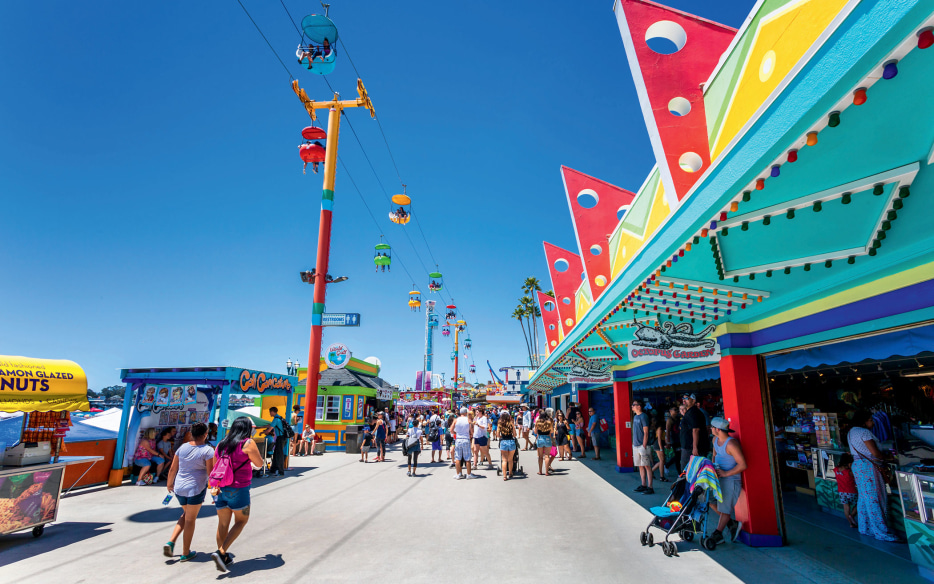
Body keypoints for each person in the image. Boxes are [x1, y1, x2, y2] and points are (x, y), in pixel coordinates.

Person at [210, 418, 265, 573]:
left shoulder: (221, 443)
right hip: (239, 488)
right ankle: (220, 552)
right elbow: (260, 463)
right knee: (241, 521)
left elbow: (216, 464)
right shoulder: (247, 443)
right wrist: (250, 464)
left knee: (222, 524)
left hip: (220, 488)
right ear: (247, 429)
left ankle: (224, 557)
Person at [164, 422, 215, 562]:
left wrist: (169, 483)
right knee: (190, 520)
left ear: (191, 434)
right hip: (195, 489)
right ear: (205, 434)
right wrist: (216, 488)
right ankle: (186, 552)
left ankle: (171, 541)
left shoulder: (182, 447)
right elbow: (211, 472)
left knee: (186, 514)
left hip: (179, 488)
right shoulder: (208, 450)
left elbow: (173, 468)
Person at [848, 409, 899, 542]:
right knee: (875, 499)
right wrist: (886, 458)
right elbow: (875, 453)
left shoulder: (851, 432)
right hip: (868, 468)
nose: (873, 422)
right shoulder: (864, 432)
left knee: (864, 498)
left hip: (858, 467)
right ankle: (881, 532)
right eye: (870, 420)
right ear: (864, 421)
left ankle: (865, 528)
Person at [709, 417, 746, 544]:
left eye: (712, 427)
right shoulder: (715, 439)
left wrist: (726, 473)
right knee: (711, 501)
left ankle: (718, 534)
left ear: (717, 429)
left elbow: (742, 464)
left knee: (725, 509)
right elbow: (714, 456)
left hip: (730, 480)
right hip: (718, 479)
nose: (711, 429)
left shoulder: (731, 444)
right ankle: (732, 523)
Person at [680, 393, 711, 469]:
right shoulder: (690, 412)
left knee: (688, 470)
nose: (684, 400)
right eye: (683, 398)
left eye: (687, 398)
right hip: (689, 446)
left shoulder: (693, 413)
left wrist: (695, 447)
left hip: (691, 447)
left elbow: (696, 430)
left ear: (693, 401)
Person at [631, 399, 653, 495]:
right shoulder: (635, 417)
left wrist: (644, 445)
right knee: (640, 466)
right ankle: (643, 485)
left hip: (642, 446)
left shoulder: (644, 417)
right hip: (636, 445)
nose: (632, 406)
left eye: (634, 405)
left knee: (647, 466)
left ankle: (650, 487)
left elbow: (646, 432)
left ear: (639, 406)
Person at [451, 407, 478, 479]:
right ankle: (469, 474)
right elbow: (472, 431)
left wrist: (456, 433)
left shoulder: (456, 420)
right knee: (467, 458)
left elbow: (451, 430)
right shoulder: (468, 420)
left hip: (458, 439)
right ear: (466, 413)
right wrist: (470, 434)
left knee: (458, 458)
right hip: (466, 439)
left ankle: (458, 474)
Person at [835, 453, 858, 529]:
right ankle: (852, 515)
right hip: (851, 491)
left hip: (841, 492)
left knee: (846, 507)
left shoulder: (836, 469)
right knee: (859, 503)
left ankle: (851, 523)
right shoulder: (849, 472)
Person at [262, 407, 287, 476]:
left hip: (280, 438)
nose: (270, 413)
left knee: (279, 455)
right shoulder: (280, 418)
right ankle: (273, 469)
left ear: (272, 412)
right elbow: (270, 425)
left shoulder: (276, 419)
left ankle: (280, 471)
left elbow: (269, 429)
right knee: (276, 454)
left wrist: (263, 432)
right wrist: (259, 427)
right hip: (283, 438)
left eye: (270, 412)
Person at [498, 410, 518, 480]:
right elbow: (515, 434)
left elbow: (497, 435)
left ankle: (504, 476)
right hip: (511, 441)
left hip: (503, 441)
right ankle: (510, 473)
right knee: (510, 459)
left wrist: (501, 436)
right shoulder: (511, 424)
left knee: (504, 460)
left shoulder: (500, 424)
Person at [535, 411, 555, 476]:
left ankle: (540, 471)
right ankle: (546, 472)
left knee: (540, 456)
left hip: (540, 438)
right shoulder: (549, 422)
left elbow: (535, 432)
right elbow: (552, 431)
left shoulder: (537, 422)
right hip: (547, 438)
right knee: (547, 456)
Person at [652, 410, 668, 481]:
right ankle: (662, 477)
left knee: (662, 460)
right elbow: (659, 439)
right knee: (662, 460)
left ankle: (651, 471)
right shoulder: (660, 428)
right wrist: (661, 448)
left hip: (659, 444)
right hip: (658, 444)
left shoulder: (661, 427)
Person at [666, 406, 682, 476]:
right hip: (674, 440)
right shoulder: (670, 420)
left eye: (677, 410)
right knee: (677, 456)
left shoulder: (678, 418)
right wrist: (668, 442)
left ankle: (667, 465)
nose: (676, 412)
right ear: (670, 411)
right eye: (675, 410)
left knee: (679, 455)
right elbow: (668, 431)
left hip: (679, 439)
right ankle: (679, 472)